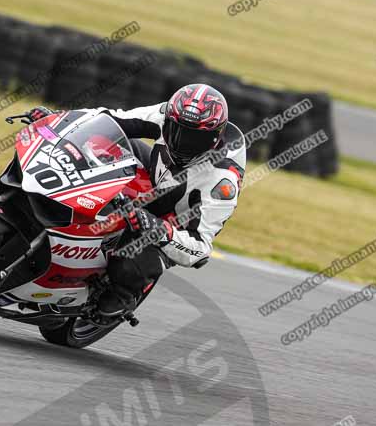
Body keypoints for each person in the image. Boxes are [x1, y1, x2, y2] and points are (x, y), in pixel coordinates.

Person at [28, 83, 246, 319]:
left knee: (130, 259)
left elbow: (200, 250)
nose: (181, 142)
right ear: (170, 118)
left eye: (193, 138)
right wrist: (59, 121)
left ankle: (123, 295)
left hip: (176, 218)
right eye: (176, 130)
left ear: (214, 139)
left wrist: (156, 227)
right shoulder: (166, 114)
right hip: (156, 175)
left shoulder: (222, 182)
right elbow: (112, 120)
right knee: (102, 144)